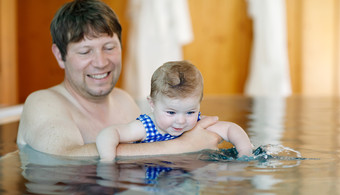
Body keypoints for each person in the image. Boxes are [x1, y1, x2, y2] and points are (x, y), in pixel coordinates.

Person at [16, 0, 220, 157]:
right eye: (85, 51)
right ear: (60, 55)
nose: (100, 62)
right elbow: (68, 157)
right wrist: (183, 146)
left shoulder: (124, 101)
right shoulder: (42, 103)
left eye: (109, 48)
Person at [96, 61, 253, 161]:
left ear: (199, 104)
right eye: (171, 113)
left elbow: (231, 128)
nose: (181, 121)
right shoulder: (147, 127)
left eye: (190, 112)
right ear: (152, 104)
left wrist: (245, 151)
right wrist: (107, 161)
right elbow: (109, 133)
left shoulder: (197, 124)